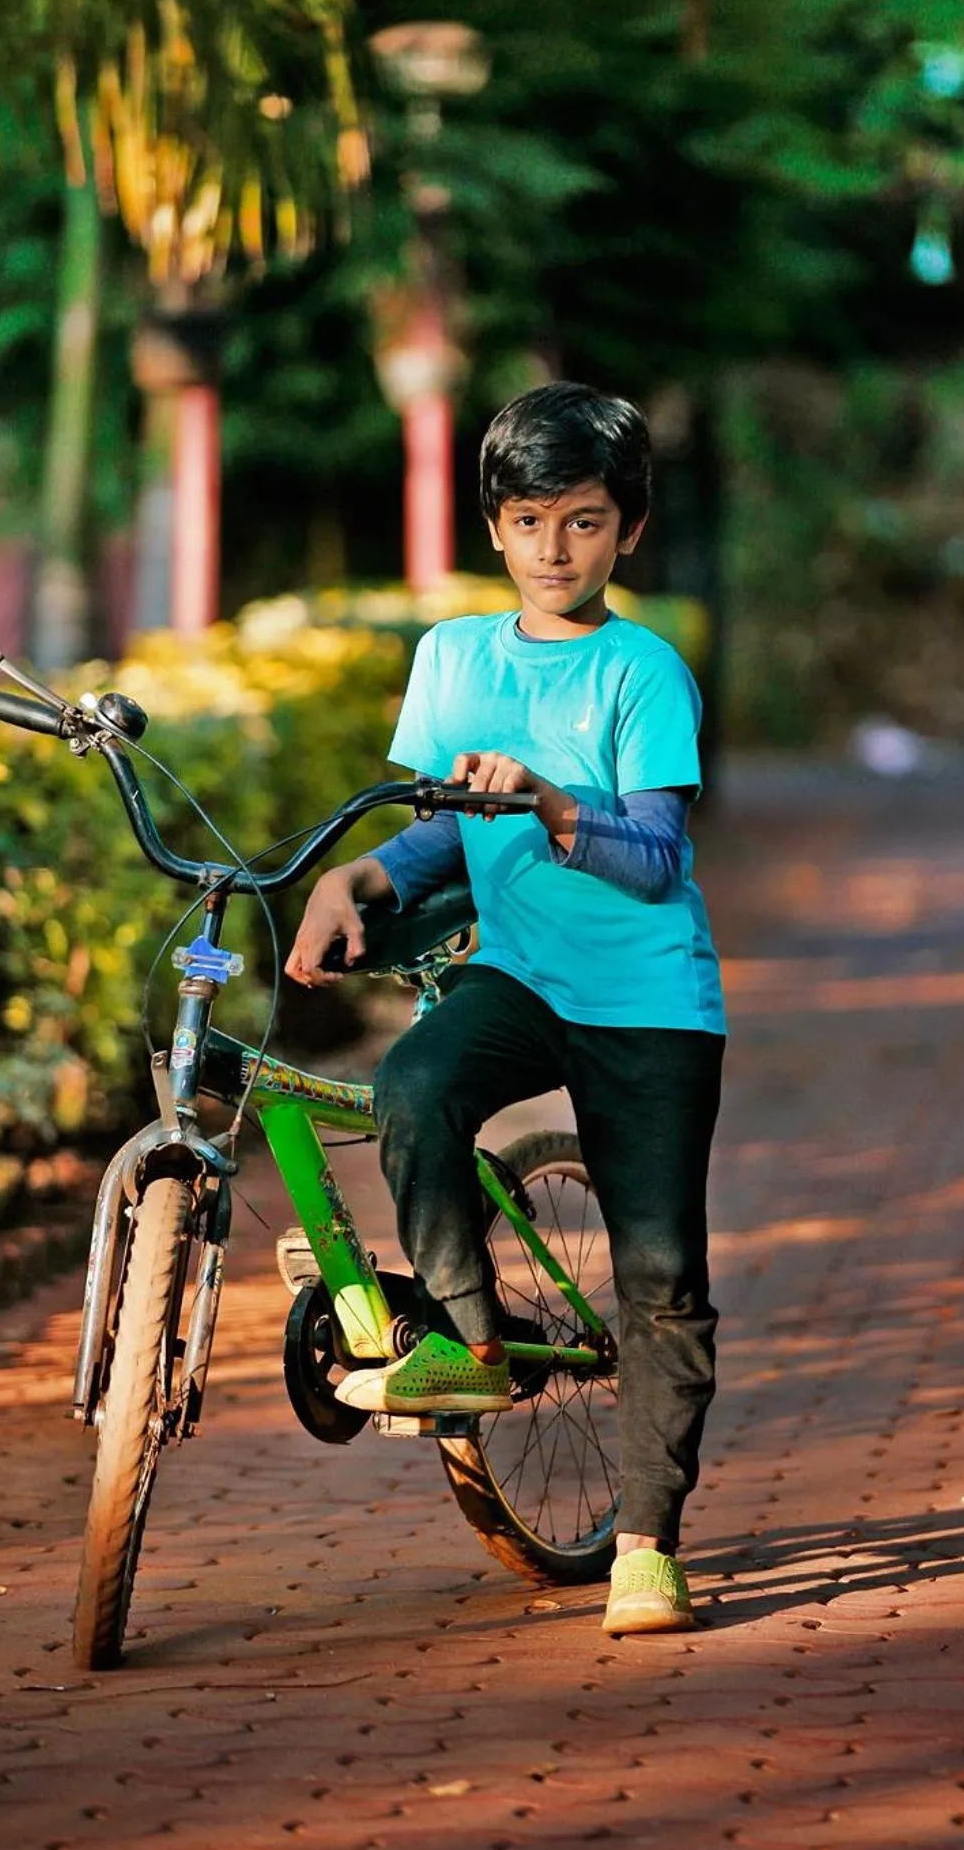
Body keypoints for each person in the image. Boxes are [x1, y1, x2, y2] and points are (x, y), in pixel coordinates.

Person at [285, 382, 725, 1636]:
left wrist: (545, 800)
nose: (553, 548)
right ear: (495, 527)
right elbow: (431, 840)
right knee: (414, 1087)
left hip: (648, 1002)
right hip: (519, 975)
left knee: (657, 1276)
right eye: (528, 519)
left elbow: (653, 857)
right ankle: (470, 1340)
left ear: (625, 531)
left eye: (582, 521)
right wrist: (356, 880)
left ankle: (645, 1538)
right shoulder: (452, 661)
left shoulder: (643, 671)